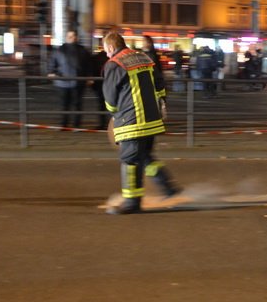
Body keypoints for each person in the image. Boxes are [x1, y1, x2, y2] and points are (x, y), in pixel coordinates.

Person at [101, 30, 181, 215]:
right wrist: (160, 106)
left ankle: (131, 203)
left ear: (112, 47)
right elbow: (160, 85)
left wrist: (114, 113)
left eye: (106, 50)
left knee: (129, 160)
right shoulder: (143, 58)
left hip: (131, 121)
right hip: (151, 120)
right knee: (145, 157)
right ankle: (168, 187)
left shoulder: (114, 64)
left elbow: (110, 99)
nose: (106, 54)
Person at [48, 30, 92, 129]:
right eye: (69, 36)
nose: (71, 37)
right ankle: (64, 124)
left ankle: (76, 124)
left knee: (77, 104)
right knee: (64, 104)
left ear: (76, 37)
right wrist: (51, 72)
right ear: (66, 37)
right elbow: (52, 62)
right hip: (63, 82)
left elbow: (89, 65)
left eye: (73, 36)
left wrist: (89, 77)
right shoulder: (60, 50)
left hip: (76, 82)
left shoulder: (82, 50)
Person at [89, 45, 109, 130]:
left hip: (99, 84)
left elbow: (92, 70)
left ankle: (102, 123)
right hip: (108, 84)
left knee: (101, 104)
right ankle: (109, 123)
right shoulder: (112, 57)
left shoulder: (96, 57)